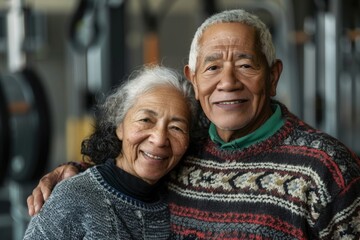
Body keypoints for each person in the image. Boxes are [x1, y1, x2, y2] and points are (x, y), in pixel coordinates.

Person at [27, 9, 360, 239]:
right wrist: (74, 174)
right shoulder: (186, 152)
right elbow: (129, 176)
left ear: (273, 77)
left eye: (245, 65)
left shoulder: (328, 169)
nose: (228, 82)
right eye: (212, 68)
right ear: (194, 79)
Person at [23, 65, 199, 239]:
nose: (160, 139)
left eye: (176, 128)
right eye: (146, 120)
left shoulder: (182, 205)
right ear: (120, 126)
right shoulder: (73, 196)